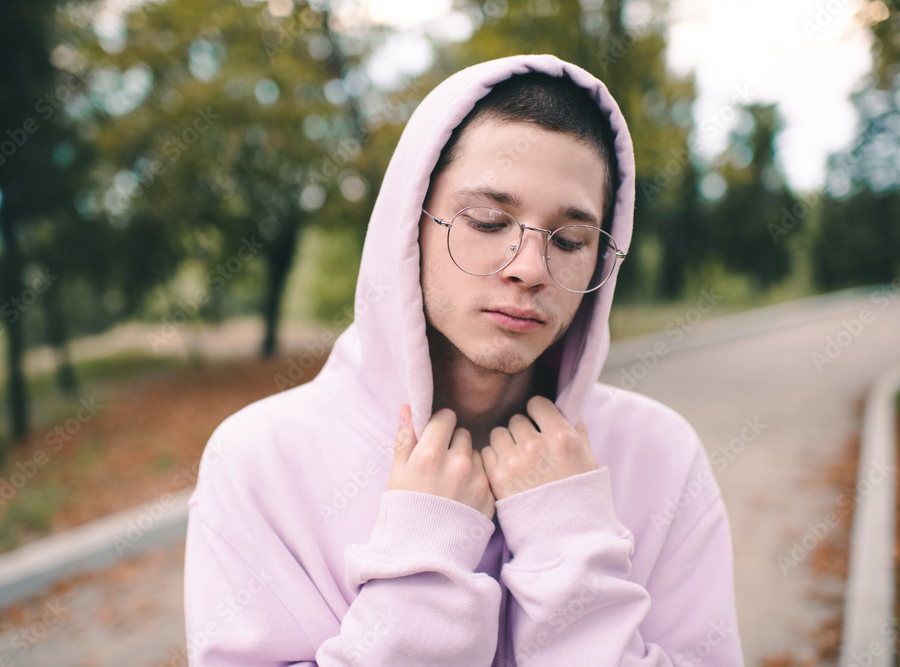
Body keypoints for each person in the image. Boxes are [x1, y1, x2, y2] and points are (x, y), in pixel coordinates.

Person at [183, 54, 745, 666]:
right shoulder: (258, 461)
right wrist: (425, 576)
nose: (529, 268)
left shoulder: (661, 453)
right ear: (410, 225)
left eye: (570, 240)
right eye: (487, 221)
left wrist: (570, 548)